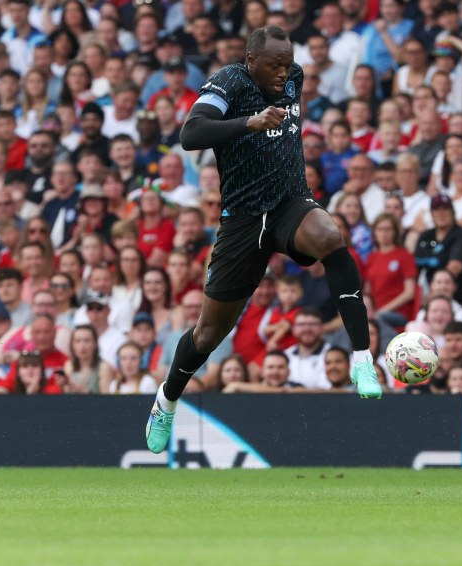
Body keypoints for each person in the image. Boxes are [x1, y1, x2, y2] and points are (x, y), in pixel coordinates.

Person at [145, 27, 381, 454]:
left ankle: (362, 359)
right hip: (243, 220)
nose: (283, 73)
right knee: (208, 333)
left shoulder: (294, 78)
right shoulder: (229, 81)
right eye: (274, 64)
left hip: (291, 203)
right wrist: (249, 123)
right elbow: (190, 134)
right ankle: (167, 399)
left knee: (330, 236)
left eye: (288, 63)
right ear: (251, 60)